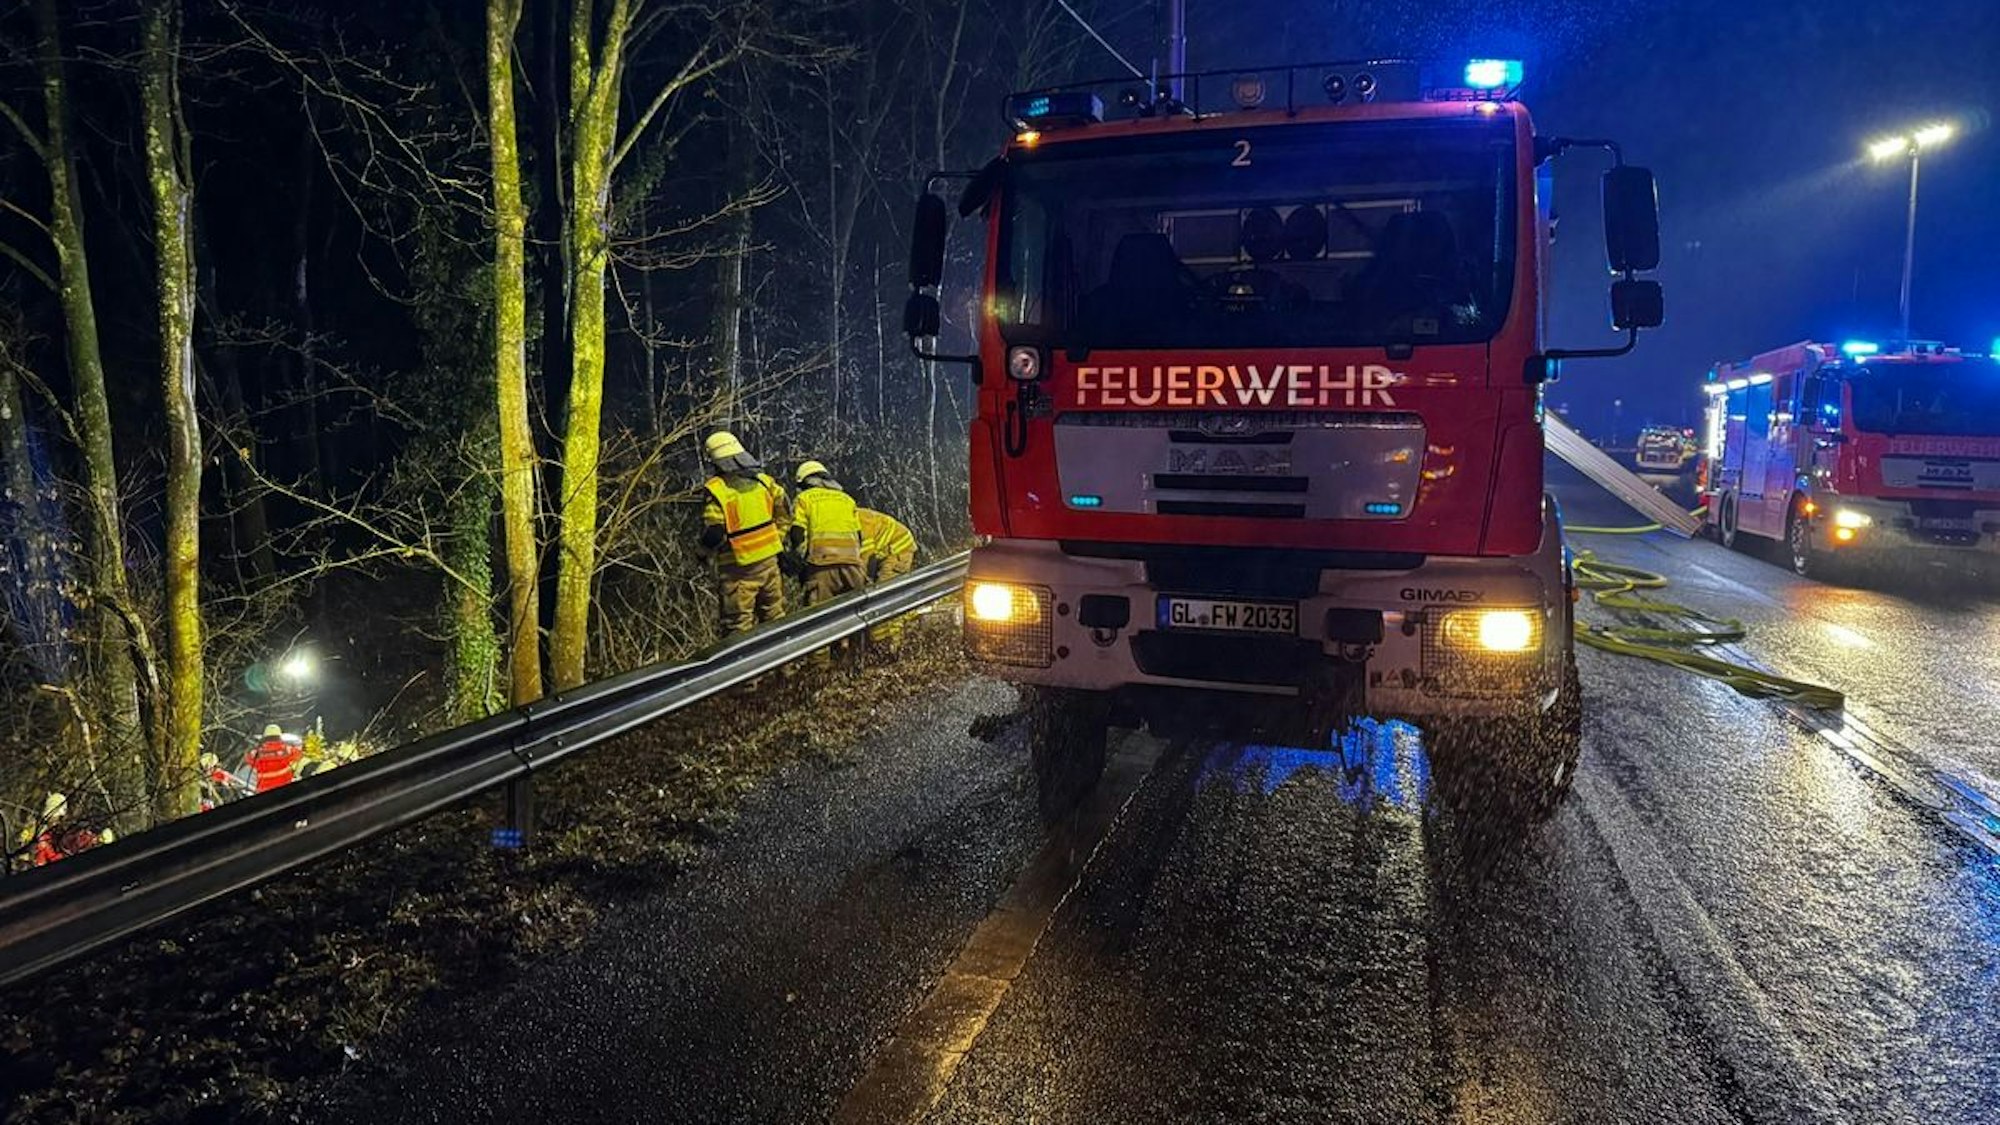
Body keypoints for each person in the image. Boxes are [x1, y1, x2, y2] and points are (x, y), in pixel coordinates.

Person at [699, 431, 792, 636]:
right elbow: (786, 512)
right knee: (775, 617)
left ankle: (748, 667)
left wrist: (702, 554)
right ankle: (787, 667)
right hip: (769, 563)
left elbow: (714, 532)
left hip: (738, 570)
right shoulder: (764, 482)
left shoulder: (717, 490)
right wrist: (777, 539)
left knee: (738, 628)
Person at [789, 460, 866, 606]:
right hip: (852, 564)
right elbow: (859, 536)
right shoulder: (847, 500)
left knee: (821, 617)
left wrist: (801, 562)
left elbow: (797, 533)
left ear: (804, 482)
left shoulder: (804, 499)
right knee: (857, 612)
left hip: (821, 565)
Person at [857, 507, 919, 653]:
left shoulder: (861, 522)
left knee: (886, 597)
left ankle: (892, 646)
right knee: (880, 596)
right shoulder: (855, 517)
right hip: (888, 550)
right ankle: (882, 642)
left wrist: (863, 583)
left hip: (898, 549)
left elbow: (866, 558)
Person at [246, 723, 302, 793]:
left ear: (265, 737)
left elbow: (248, 759)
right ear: (279, 737)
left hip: (264, 790)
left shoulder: (256, 753)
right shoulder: (287, 749)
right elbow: (298, 754)